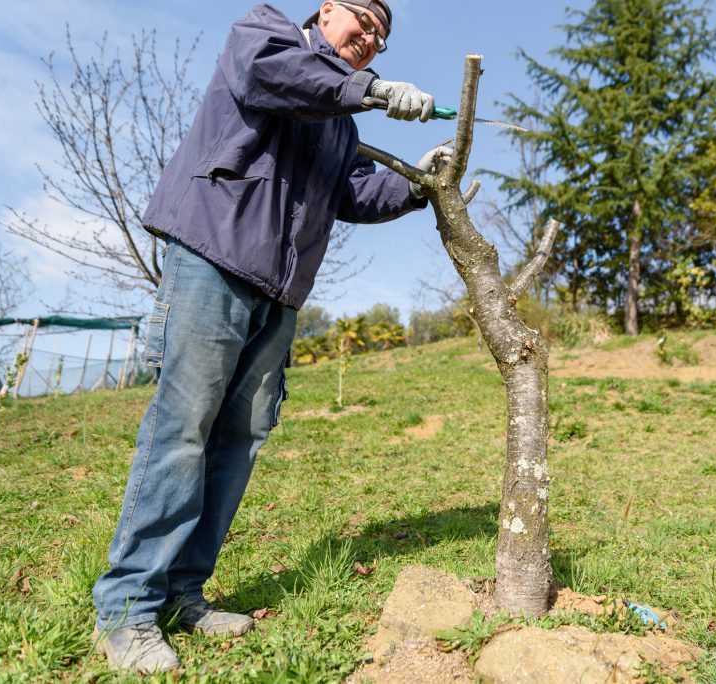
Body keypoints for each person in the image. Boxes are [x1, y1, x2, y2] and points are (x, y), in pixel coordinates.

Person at [91, 1, 449, 673]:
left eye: (380, 39)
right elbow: (282, 78)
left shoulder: (340, 120)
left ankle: (182, 595)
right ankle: (128, 607)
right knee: (182, 431)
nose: (369, 40)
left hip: (279, 295)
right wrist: (370, 93)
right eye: (362, 22)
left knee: (238, 441)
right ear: (325, 11)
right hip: (213, 260)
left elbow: (351, 194)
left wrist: (417, 183)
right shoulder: (266, 35)